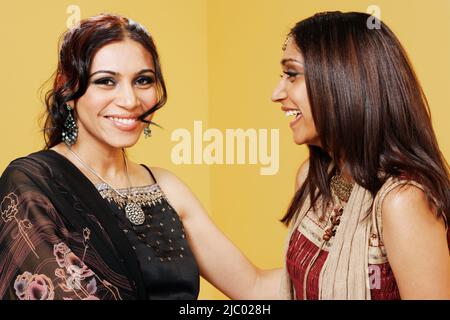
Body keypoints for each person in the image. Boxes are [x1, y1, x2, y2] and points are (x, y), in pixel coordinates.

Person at [0, 13, 280, 300]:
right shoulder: (33, 183)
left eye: (143, 80)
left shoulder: (166, 186)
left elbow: (255, 288)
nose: (130, 100)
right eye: (106, 81)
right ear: (68, 89)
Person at [271, 11, 450, 299]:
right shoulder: (320, 180)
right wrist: (180, 206)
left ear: (343, 80)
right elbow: (300, 284)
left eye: (292, 75)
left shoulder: (401, 202)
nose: (276, 93)